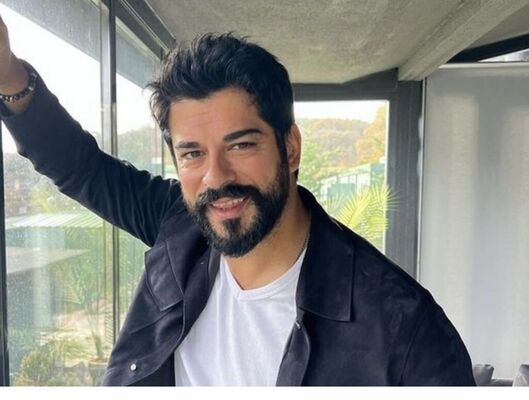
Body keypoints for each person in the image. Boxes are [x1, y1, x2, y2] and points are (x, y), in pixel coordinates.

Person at [0, 15, 475, 386]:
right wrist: (8, 74)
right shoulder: (178, 224)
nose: (216, 177)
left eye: (241, 145)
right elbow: (79, 166)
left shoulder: (404, 328)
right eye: (192, 153)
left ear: (290, 148)